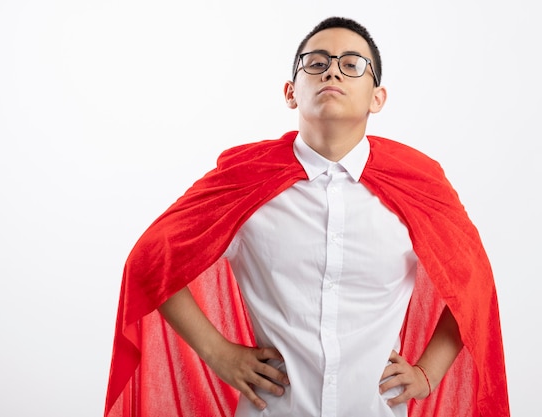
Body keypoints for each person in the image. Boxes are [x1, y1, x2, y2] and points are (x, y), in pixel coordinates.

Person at [104, 16, 509, 417]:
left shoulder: (417, 184)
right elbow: (150, 261)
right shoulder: (245, 182)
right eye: (316, 62)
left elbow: (473, 281)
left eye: (351, 64)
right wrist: (218, 353)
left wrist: (428, 372)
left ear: (377, 98)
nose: (332, 69)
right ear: (290, 92)